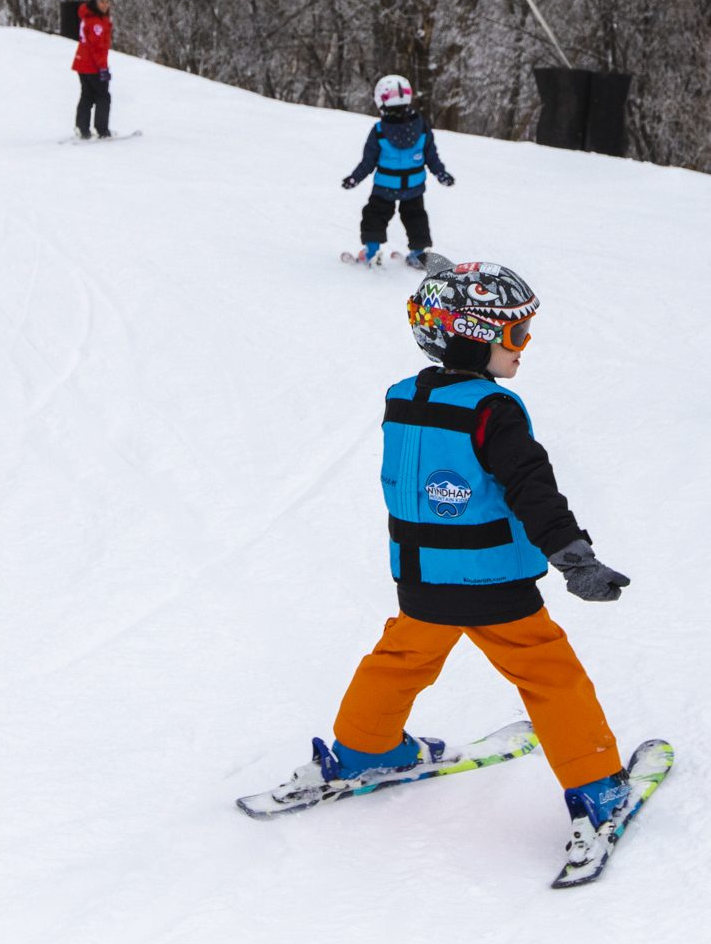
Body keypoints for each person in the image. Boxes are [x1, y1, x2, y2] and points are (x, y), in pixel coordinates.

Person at [261, 260, 635, 857]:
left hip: (422, 579)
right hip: (493, 583)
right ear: (470, 335)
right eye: (514, 334)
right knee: (548, 674)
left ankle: (363, 748)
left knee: (399, 660)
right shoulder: (493, 409)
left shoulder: (402, 398)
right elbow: (530, 487)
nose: (525, 345)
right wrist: (575, 559)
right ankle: (598, 788)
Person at [341, 75, 454, 268]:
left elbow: (368, 162)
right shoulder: (422, 128)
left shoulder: (379, 131)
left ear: (381, 100)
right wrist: (441, 173)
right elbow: (431, 156)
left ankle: (371, 251)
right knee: (415, 217)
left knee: (374, 215)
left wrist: (354, 178)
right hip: (413, 187)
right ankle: (418, 255)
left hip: (385, 187)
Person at [71, 0, 115, 139]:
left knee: (87, 95)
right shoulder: (96, 22)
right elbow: (98, 47)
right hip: (92, 65)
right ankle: (101, 129)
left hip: (81, 63)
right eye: (102, 1)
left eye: (108, 2)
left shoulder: (89, 17)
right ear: (93, 2)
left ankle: (82, 128)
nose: (105, 5)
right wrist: (103, 68)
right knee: (103, 97)